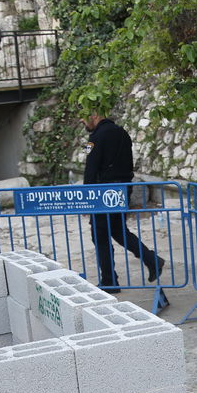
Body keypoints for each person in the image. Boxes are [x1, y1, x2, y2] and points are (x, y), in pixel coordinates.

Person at [83, 113, 164, 293]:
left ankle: (109, 281)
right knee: (118, 230)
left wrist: (86, 197)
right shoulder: (122, 133)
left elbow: (91, 167)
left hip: (102, 193)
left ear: (95, 115)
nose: (83, 122)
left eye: (84, 119)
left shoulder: (95, 137)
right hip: (122, 190)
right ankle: (151, 260)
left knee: (100, 234)